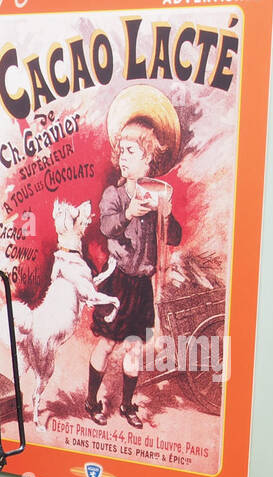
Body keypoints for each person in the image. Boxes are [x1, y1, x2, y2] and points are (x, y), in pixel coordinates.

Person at [85, 86, 182, 429]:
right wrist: (130, 212)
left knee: (134, 349)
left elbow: (175, 237)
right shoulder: (114, 195)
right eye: (121, 151)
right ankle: (91, 400)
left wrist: (166, 215)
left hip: (142, 285)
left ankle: (127, 405)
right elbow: (109, 227)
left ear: (149, 159)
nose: (123, 157)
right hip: (120, 283)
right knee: (108, 343)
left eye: (132, 152)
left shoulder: (156, 194)